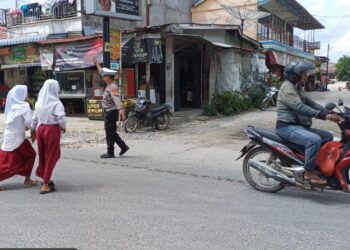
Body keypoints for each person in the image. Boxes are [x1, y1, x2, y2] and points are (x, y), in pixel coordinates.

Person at [276, 62, 339, 185]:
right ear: (295, 76)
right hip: (287, 127)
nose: (306, 76)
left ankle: (318, 164)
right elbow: (300, 107)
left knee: (327, 136)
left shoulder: (297, 87)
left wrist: (330, 112)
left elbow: (311, 103)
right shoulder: (287, 88)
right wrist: (323, 115)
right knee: (314, 140)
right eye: (303, 74)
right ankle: (308, 171)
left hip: (298, 126)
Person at [31, 80, 66, 194]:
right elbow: (61, 118)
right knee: (52, 155)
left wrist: (33, 129)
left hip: (40, 129)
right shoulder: (56, 103)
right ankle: (45, 185)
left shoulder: (39, 102)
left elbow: (35, 117)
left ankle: (45, 177)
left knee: (44, 156)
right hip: (52, 129)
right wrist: (63, 127)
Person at [0, 85, 38, 191]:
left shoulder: (11, 106)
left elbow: (18, 121)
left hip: (10, 136)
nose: (27, 96)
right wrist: (34, 128)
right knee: (11, 163)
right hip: (18, 139)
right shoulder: (24, 106)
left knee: (6, 160)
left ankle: (27, 178)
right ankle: (27, 179)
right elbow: (30, 122)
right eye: (25, 94)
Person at [93, 58, 129, 159]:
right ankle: (123, 146)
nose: (103, 77)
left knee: (109, 133)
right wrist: (96, 64)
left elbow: (116, 98)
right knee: (111, 131)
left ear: (109, 77)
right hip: (109, 112)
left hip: (111, 112)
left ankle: (110, 152)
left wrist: (121, 110)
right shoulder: (109, 84)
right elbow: (101, 72)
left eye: (105, 76)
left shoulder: (112, 86)